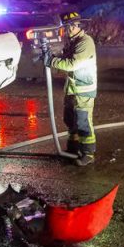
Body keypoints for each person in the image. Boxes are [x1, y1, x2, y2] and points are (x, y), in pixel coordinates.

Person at [43, 11, 98, 166]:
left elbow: (72, 64)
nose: (66, 30)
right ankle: (73, 149)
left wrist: (51, 61)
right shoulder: (73, 41)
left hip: (83, 90)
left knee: (83, 122)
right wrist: (52, 56)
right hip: (72, 89)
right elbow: (65, 61)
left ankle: (88, 153)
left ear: (77, 25)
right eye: (65, 27)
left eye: (69, 27)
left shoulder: (85, 43)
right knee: (70, 120)